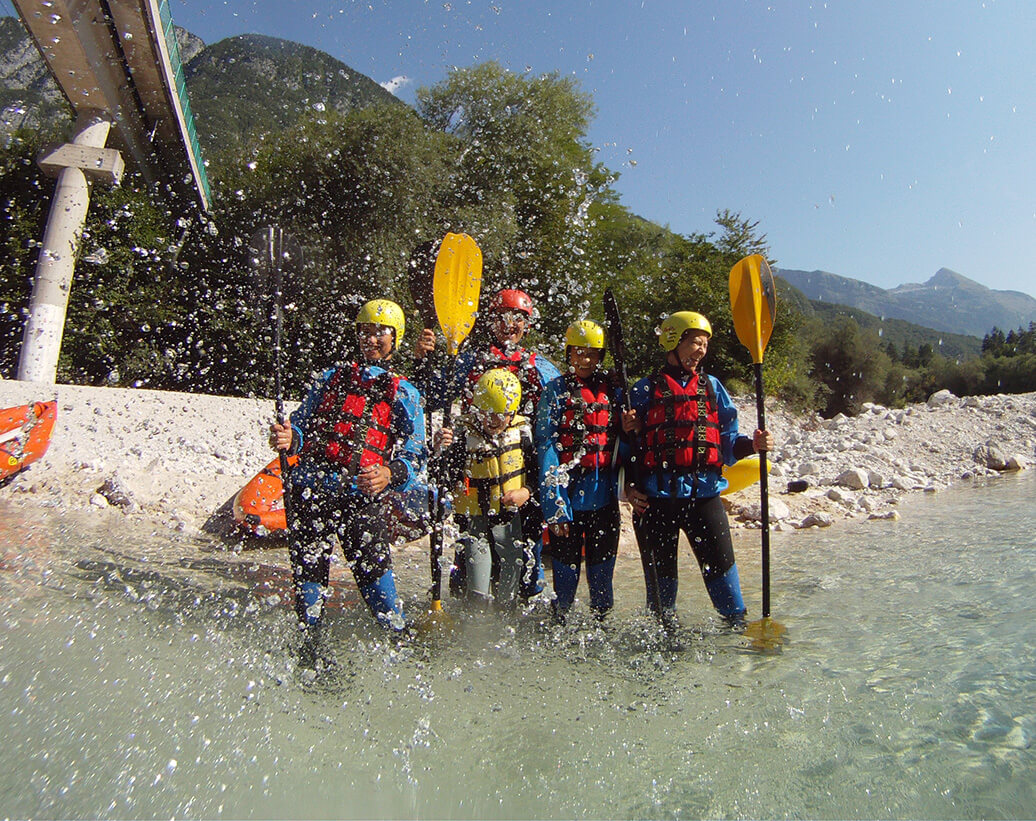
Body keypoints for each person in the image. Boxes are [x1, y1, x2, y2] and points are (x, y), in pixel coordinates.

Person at [270, 299, 427, 631]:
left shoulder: (404, 393)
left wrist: (390, 473)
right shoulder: (331, 377)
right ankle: (309, 648)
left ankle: (400, 642)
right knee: (308, 596)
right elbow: (301, 427)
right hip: (312, 492)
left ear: (395, 338)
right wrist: (289, 437)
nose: (371, 339)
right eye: (365, 332)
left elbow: (415, 455)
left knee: (381, 595)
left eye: (380, 332)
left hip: (361, 497)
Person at [621, 310, 773, 629]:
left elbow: (728, 443)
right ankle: (665, 645)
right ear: (673, 341)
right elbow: (626, 450)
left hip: (704, 498)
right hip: (655, 503)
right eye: (694, 343)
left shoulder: (712, 387)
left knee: (730, 599)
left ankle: (737, 643)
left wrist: (753, 445)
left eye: (705, 344)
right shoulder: (643, 390)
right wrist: (629, 488)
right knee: (661, 606)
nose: (701, 350)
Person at [414, 288, 560, 598]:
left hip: (520, 477)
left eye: (517, 318)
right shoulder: (470, 361)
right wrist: (423, 361)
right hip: (476, 475)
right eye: (502, 318)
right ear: (491, 322)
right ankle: (469, 617)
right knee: (468, 567)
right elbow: (432, 397)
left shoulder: (541, 368)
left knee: (526, 564)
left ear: (527, 325)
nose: (509, 325)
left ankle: (524, 613)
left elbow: (563, 414)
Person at [535, 320, 624, 622]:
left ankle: (602, 632)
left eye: (592, 353)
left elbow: (626, 440)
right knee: (564, 590)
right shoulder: (555, 391)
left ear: (601, 357)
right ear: (569, 354)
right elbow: (547, 446)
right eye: (579, 352)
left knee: (602, 587)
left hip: (605, 502)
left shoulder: (614, 391)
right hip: (568, 500)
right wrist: (554, 504)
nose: (585, 360)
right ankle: (559, 631)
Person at [436, 369, 537, 609]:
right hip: (475, 520)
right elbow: (444, 477)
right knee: (477, 587)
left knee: (510, 582)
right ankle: (477, 623)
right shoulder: (464, 435)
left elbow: (536, 472)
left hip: (508, 518)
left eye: (499, 415)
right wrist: (440, 451)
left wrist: (526, 491)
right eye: (486, 413)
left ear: (512, 414)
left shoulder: (522, 433)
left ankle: (506, 618)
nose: (492, 420)